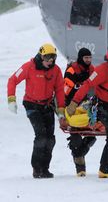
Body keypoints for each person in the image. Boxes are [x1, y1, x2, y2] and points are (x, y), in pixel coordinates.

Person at [66, 39, 108, 179]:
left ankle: (104, 168)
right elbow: (87, 85)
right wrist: (74, 103)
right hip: (100, 106)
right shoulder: (103, 69)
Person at [7, 43, 65, 179]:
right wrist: (11, 99)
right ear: (41, 56)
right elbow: (12, 80)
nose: (51, 61)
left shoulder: (56, 70)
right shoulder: (29, 67)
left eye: (53, 58)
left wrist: (61, 110)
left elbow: (60, 90)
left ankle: (45, 168)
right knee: (41, 136)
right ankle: (37, 168)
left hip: (47, 105)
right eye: (48, 58)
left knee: (50, 139)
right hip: (32, 106)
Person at [64, 47, 96, 177]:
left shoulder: (92, 70)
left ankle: (78, 154)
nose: (88, 60)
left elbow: (96, 84)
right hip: (72, 106)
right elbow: (66, 89)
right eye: (86, 58)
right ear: (80, 58)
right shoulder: (72, 70)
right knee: (76, 137)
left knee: (92, 136)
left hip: (87, 106)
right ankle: (80, 167)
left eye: (90, 58)